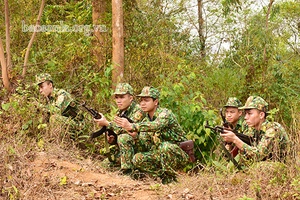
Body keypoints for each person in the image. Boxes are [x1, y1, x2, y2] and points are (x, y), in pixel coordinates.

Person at [114, 86, 189, 184]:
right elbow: (146, 145)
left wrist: (132, 126)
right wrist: (135, 137)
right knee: (137, 158)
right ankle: (162, 176)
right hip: (159, 154)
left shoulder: (165, 114)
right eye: (141, 100)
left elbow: (156, 125)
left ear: (156, 102)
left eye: (146, 100)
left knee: (165, 146)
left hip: (178, 154)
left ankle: (171, 180)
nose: (142, 103)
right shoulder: (145, 120)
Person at [93, 83, 146, 174]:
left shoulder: (138, 111)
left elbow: (129, 130)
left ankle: (128, 172)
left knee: (124, 137)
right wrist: (112, 139)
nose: (118, 101)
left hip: (141, 149)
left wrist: (107, 123)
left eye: (122, 97)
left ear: (131, 98)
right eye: (117, 97)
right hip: (126, 151)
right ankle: (127, 167)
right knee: (104, 165)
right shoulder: (120, 112)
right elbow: (117, 130)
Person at [221, 96, 289, 162]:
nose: (245, 117)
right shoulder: (252, 130)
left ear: (261, 115)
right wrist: (230, 142)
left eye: (249, 114)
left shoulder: (273, 129)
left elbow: (258, 155)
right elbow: (243, 154)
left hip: (280, 166)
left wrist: (235, 139)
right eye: (245, 114)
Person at [36, 73, 84, 137]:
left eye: (42, 87)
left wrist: (40, 106)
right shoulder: (49, 99)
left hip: (78, 125)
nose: (40, 90)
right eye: (39, 88)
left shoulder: (62, 94)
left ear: (50, 85)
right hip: (66, 122)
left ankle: (58, 142)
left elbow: (56, 111)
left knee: (54, 118)